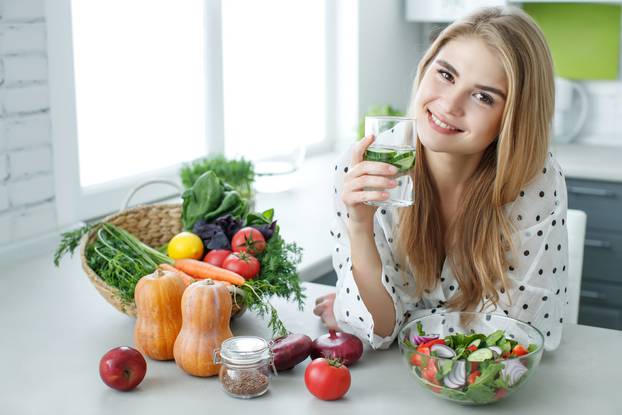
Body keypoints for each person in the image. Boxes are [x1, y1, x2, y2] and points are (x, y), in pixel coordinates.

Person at [314, 6, 568, 351]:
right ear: (426, 67)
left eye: (483, 97)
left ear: (514, 118)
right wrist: (359, 227)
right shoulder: (366, 166)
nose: (449, 104)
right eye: (446, 75)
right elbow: (380, 329)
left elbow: (514, 338)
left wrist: (391, 313)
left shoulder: (533, 180)